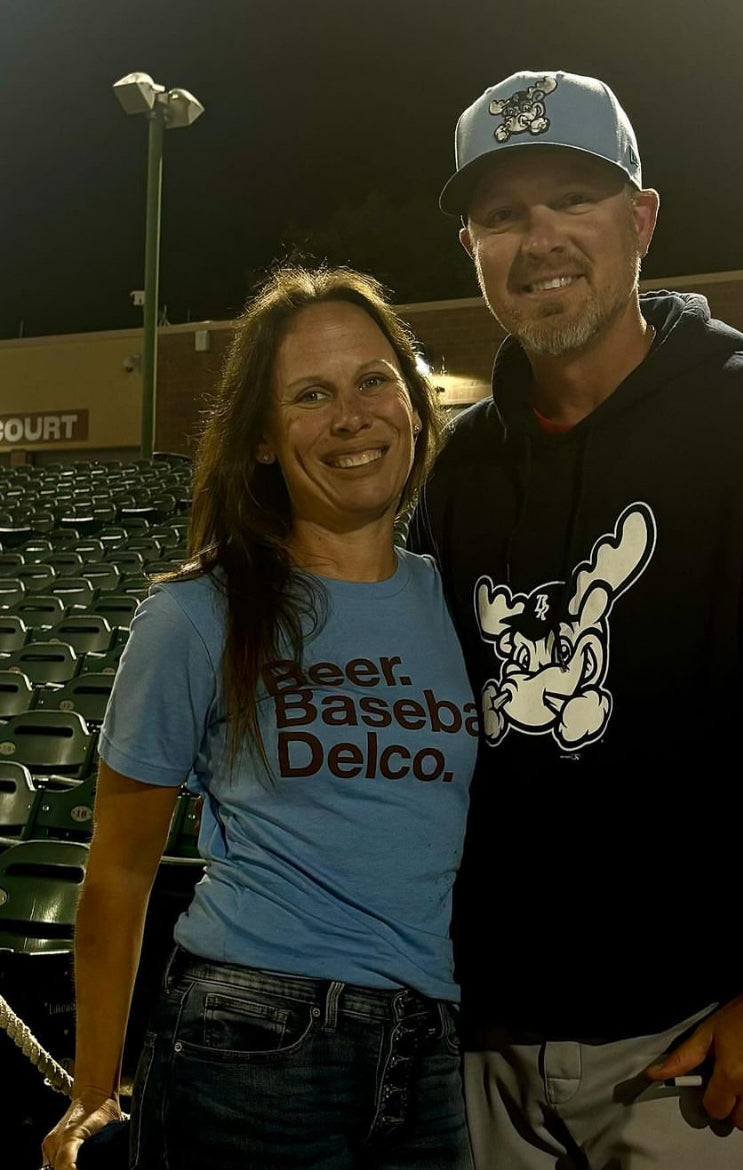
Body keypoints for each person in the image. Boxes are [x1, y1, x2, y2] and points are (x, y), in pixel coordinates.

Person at [408, 70, 743, 1169]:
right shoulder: (460, 468)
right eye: (502, 214)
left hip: (695, 1043)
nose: (539, 238)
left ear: (640, 219)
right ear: (472, 248)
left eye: (572, 198)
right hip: (484, 1037)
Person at [42, 266, 478, 1170]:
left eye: (373, 380)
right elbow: (118, 871)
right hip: (250, 1041)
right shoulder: (196, 614)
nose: (350, 416)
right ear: (266, 441)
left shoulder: (464, 603)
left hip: (429, 1051)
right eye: (311, 395)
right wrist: (93, 1090)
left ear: (413, 403)